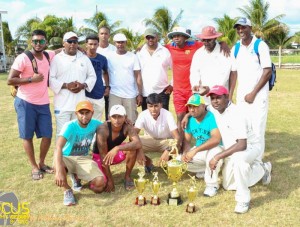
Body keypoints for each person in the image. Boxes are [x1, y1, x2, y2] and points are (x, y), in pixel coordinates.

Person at [207, 85, 272, 214]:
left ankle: (243, 199)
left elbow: (242, 144)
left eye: (218, 97)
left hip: (251, 147)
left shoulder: (236, 113)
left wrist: (217, 157)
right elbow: (202, 108)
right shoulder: (215, 108)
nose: (215, 101)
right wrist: (187, 116)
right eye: (212, 98)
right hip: (234, 150)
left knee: (239, 160)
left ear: (226, 97)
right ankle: (262, 169)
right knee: (229, 186)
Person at [7, 29, 55, 180]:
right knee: (27, 136)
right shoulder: (23, 58)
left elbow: (61, 49)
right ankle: (34, 167)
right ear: (31, 42)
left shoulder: (48, 55)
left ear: (45, 42)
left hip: (43, 102)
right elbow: (10, 80)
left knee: (47, 135)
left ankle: (41, 163)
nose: (38, 44)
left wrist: (78, 46)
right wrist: (30, 80)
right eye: (35, 41)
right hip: (25, 102)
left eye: (41, 41)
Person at [231, 18, 272, 160]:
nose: (240, 30)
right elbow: (233, 72)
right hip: (242, 98)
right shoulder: (236, 48)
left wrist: (253, 93)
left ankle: (258, 162)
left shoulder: (260, 46)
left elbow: (267, 71)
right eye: (238, 28)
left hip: (258, 97)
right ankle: (247, 158)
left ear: (250, 27)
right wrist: (230, 96)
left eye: (243, 27)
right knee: (244, 130)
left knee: (257, 130)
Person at [54, 101, 106, 206]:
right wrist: (59, 171)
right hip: (66, 157)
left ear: (92, 113)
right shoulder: (69, 126)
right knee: (58, 165)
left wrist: (126, 120)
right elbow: (58, 147)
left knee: (100, 184)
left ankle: (76, 176)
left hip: (84, 158)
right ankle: (67, 190)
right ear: (76, 113)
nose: (84, 116)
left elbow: (110, 124)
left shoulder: (96, 123)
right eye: (81, 113)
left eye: (87, 113)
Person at [49, 31, 97, 135]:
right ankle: (61, 152)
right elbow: (51, 79)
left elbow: (92, 76)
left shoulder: (84, 58)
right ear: (63, 43)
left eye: (75, 41)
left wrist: (83, 85)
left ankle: (77, 152)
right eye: (69, 41)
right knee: (62, 134)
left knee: (78, 133)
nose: (72, 44)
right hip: (62, 105)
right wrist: (66, 85)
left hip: (79, 105)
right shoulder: (57, 59)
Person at [93, 104, 144, 192]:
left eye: (120, 116)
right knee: (100, 187)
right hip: (100, 157)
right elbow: (103, 157)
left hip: (114, 154)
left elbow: (137, 143)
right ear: (109, 117)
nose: (117, 120)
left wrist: (117, 148)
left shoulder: (127, 126)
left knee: (132, 149)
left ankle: (127, 177)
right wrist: (110, 180)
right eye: (114, 117)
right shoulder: (103, 129)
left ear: (125, 117)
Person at [180, 93, 223, 197]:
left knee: (212, 155)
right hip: (201, 150)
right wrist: (186, 152)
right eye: (190, 107)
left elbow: (216, 139)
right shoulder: (189, 120)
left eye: (195, 106)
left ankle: (212, 185)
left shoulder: (211, 116)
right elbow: (187, 141)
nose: (192, 110)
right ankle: (205, 169)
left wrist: (194, 150)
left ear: (203, 106)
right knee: (179, 162)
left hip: (216, 148)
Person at [190, 26, 236, 104]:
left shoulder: (225, 53)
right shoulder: (199, 53)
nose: (206, 43)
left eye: (209, 40)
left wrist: (210, 89)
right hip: (203, 96)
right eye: (204, 40)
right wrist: (195, 85)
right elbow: (194, 72)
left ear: (215, 39)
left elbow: (225, 74)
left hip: (220, 95)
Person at [134, 93, 180, 171]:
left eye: (156, 106)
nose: (153, 109)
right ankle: (148, 162)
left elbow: (177, 137)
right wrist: (139, 151)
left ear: (161, 105)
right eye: (150, 106)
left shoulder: (167, 114)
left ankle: (169, 162)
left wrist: (168, 151)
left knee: (177, 145)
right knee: (131, 146)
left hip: (166, 141)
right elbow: (133, 136)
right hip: (150, 139)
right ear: (147, 106)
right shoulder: (143, 115)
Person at [106, 33, 143, 122]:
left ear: (126, 43)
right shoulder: (109, 56)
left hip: (130, 94)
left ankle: (131, 136)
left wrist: (139, 94)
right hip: (114, 93)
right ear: (114, 43)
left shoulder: (133, 57)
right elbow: (105, 73)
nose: (120, 44)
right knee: (113, 121)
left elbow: (138, 76)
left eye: (122, 42)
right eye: (118, 42)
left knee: (131, 121)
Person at [136, 28, 173, 110]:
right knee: (147, 120)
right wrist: (138, 93)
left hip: (162, 92)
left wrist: (172, 85)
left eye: (152, 37)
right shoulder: (139, 53)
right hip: (145, 92)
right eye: (148, 37)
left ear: (157, 37)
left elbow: (175, 68)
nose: (150, 39)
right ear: (145, 38)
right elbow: (136, 74)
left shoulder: (165, 51)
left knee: (163, 119)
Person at [85, 34, 109, 120]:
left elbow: (105, 72)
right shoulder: (81, 58)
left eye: (95, 44)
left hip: (99, 93)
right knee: (84, 120)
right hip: (85, 94)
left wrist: (107, 87)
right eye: (90, 44)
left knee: (96, 121)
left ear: (98, 45)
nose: (93, 46)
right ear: (86, 45)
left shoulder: (102, 59)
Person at [97, 26, 117, 120]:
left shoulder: (114, 49)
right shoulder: (94, 48)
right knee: (97, 111)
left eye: (106, 33)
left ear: (109, 35)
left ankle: (109, 133)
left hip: (111, 85)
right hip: (96, 85)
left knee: (110, 112)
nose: (104, 36)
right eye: (101, 33)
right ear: (98, 35)